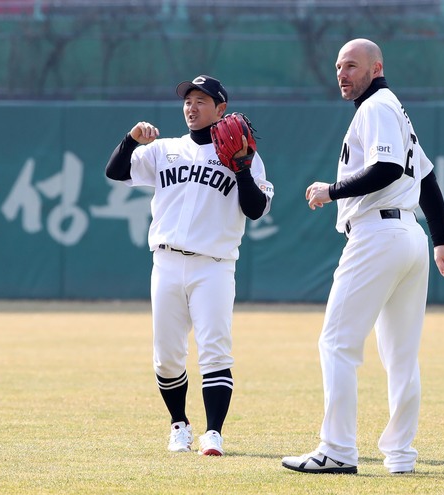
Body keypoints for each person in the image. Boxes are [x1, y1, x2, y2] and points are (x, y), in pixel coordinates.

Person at [281, 39, 444, 475]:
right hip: (408, 237)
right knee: (400, 356)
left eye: (352, 65)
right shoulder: (394, 109)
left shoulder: (377, 107)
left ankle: (337, 450)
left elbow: (388, 170)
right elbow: (429, 180)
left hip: (378, 236)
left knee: (337, 343)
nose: (342, 74)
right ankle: (400, 456)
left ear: (376, 67)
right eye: (339, 66)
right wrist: (440, 239)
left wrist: (331, 190)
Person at [105, 75, 274, 456]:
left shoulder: (244, 154)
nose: (192, 107)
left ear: (221, 109)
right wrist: (131, 139)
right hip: (165, 262)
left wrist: (243, 168)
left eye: (201, 100)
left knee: (215, 350)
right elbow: (115, 171)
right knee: (167, 355)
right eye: (188, 100)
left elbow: (256, 209)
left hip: (213, 267)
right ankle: (179, 424)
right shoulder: (165, 149)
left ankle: (213, 433)